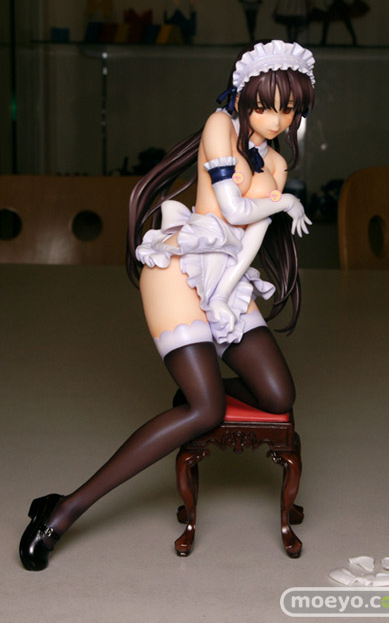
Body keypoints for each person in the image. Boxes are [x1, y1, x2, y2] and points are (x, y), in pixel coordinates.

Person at [19, 40, 315, 571]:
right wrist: (287, 200)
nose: (276, 119)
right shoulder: (218, 125)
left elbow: (251, 237)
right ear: (243, 98)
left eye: (289, 109)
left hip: (225, 278)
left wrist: (226, 293)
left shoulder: (273, 161)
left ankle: (199, 385)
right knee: (207, 410)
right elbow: (231, 209)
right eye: (266, 106)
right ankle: (62, 510)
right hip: (179, 269)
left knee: (279, 393)